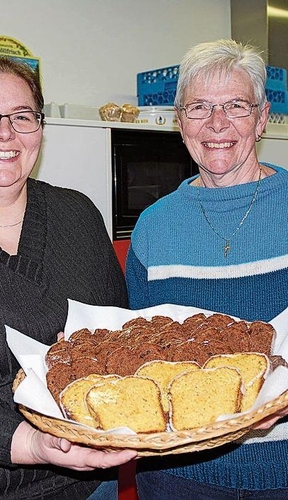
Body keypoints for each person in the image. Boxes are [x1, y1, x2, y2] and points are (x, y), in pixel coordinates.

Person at [0, 55, 136, 500]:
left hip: (87, 481)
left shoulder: (77, 213)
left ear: (39, 130)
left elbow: (119, 338)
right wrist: (33, 443)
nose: (5, 133)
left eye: (22, 116)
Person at [126, 39, 288, 499]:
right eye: (198, 107)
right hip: (178, 474)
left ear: (260, 118)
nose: (217, 123)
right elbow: (141, 349)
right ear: (180, 123)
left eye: (236, 105)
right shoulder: (153, 227)